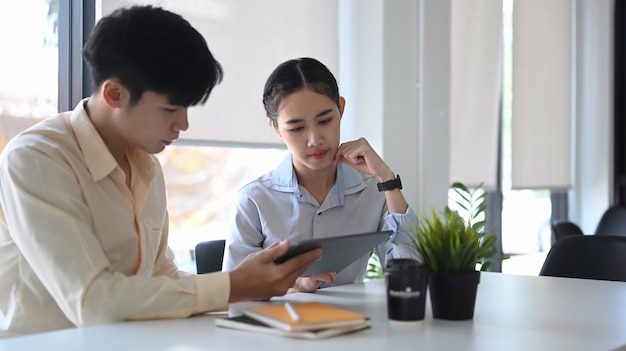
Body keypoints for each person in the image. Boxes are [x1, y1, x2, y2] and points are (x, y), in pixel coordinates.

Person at [0, 6, 321, 338]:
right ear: (114, 94)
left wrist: (251, 288)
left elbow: (160, 277)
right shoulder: (37, 159)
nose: (183, 124)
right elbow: (94, 302)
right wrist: (231, 286)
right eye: (170, 108)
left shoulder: (145, 164)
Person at [222, 57, 420, 293]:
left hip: (353, 324)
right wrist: (297, 288)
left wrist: (388, 180)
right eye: (297, 128)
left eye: (325, 120)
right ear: (275, 128)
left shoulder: (373, 191)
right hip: (279, 326)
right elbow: (234, 294)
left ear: (341, 109)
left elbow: (412, 277)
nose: (315, 140)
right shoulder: (254, 199)